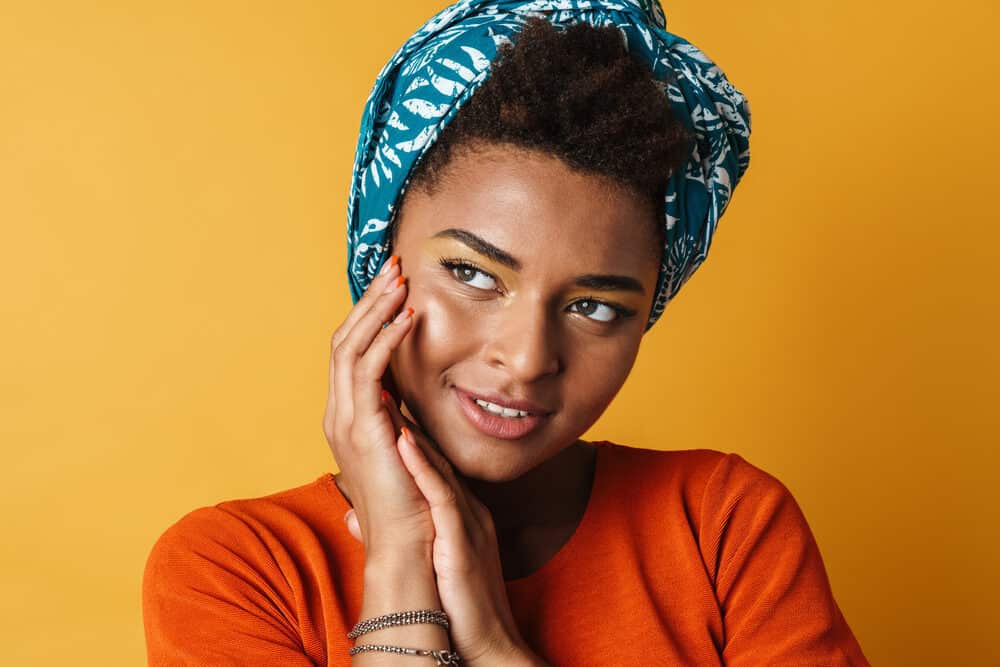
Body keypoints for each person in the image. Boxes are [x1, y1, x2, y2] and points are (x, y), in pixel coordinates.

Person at [142, 1, 870, 665]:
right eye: (474, 273)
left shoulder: (722, 528)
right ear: (380, 257)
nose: (525, 359)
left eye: (596, 307)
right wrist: (399, 564)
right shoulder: (239, 569)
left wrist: (496, 646)